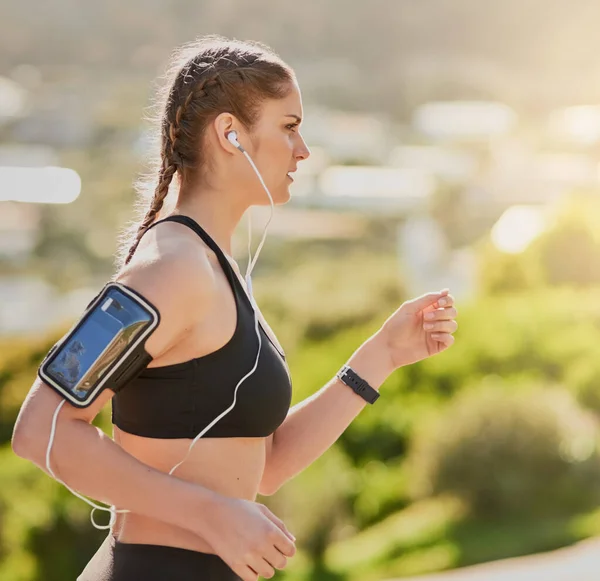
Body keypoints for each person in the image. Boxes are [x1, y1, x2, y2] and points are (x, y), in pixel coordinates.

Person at [11, 36, 458, 581]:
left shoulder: (215, 266)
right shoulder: (169, 268)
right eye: (289, 127)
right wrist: (212, 515)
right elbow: (43, 429)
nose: (303, 149)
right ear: (230, 134)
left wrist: (383, 353)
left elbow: (265, 465)